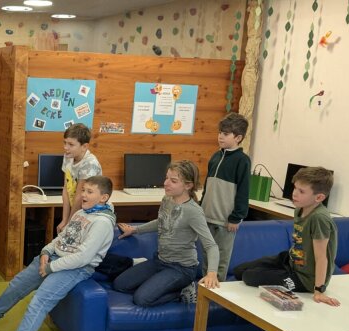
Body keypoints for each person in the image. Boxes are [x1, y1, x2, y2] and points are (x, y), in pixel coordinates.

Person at [0, 176, 116, 331]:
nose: (83, 195)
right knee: (17, 285)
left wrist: (51, 268)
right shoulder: (81, 213)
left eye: (90, 192)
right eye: (83, 190)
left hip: (75, 268)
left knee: (37, 303)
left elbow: (83, 258)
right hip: (54, 258)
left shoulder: (102, 223)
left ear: (103, 198)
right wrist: (46, 252)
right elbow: (61, 238)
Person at [115, 160, 220, 307]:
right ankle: (159, 286)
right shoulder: (167, 199)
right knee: (120, 285)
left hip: (181, 269)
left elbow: (211, 246)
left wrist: (212, 273)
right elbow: (161, 222)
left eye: (173, 181)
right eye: (166, 178)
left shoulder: (194, 212)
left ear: (188, 185)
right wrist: (135, 230)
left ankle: (182, 290)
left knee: (141, 299)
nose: (165, 183)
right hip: (160, 260)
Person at [231, 167, 340, 307]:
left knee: (248, 276)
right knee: (239, 271)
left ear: (319, 197)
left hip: (305, 279)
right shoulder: (299, 209)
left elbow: (321, 258)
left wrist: (319, 290)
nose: (294, 193)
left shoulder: (319, 218)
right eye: (295, 188)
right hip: (290, 261)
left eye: (301, 191)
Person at [200, 112, 251, 281]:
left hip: (225, 220)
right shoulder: (215, 156)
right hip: (207, 216)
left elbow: (244, 191)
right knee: (207, 254)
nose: (220, 136)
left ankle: (217, 288)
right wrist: (200, 208)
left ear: (238, 138)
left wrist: (236, 217)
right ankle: (204, 286)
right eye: (220, 132)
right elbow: (208, 186)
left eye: (226, 134)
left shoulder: (242, 160)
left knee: (221, 257)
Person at [57, 123, 102, 233]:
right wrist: (64, 220)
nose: (66, 147)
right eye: (65, 143)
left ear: (84, 146)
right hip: (76, 210)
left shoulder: (89, 163)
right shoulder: (68, 156)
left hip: (90, 213)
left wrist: (70, 223)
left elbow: (79, 196)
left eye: (71, 144)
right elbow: (66, 189)